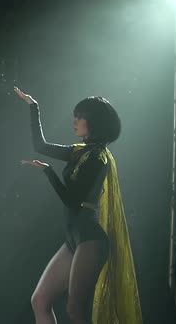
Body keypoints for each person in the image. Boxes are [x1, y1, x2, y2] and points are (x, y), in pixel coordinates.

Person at [16, 87, 142, 324]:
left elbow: (72, 200)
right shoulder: (79, 152)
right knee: (40, 301)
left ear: (94, 122)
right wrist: (34, 108)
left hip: (90, 240)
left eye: (81, 116)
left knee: (76, 310)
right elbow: (40, 146)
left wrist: (48, 172)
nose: (75, 121)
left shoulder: (98, 158)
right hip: (73, 239)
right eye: (76, 115)